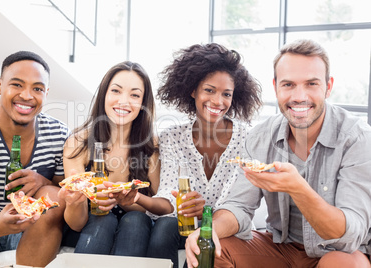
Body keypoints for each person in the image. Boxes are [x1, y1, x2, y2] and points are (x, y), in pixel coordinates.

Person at [185, 39, 371, 268]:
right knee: (213, 250)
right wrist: (209, 231)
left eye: (311, 84)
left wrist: (297, 187)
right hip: (281, 249)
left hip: (337, 252)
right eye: (289, 85)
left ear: (328, 86)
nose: (299, 96)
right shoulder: (261, 136)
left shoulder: (357, 137)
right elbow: (239, 206)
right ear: (276, 87)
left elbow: (350, 234)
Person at [146, 43, 262, 268]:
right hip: (182, 225)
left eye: (226, 94)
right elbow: (168, 196)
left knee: (211, 239)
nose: (218, 101)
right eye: (209, 90)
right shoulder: (172, 137)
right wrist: (180, 205)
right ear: (193, 90)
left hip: (228, 227)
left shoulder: (248, 140)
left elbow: (240, 204)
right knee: (163, 229)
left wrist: (207, 210)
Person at [0, 51, 69, 267]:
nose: (27, 95)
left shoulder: (59, 135)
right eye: (17, 84)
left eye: (37, 88)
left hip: (31, 229)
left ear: (46, 93)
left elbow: (67, 196)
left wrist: (43, 181)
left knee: (54, 194)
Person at [59, 61, 165, 257]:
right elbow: (76, 223)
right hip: (91, 225)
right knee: (103, 218)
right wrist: (75, 202)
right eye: (116, 91)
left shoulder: (153, 147)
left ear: (143, 104)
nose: (124, 101)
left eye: (134, 95)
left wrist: (125, 200)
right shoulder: (77, 143)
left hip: (137, 226)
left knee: (135, 220)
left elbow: (160, 208)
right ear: (104, 95)